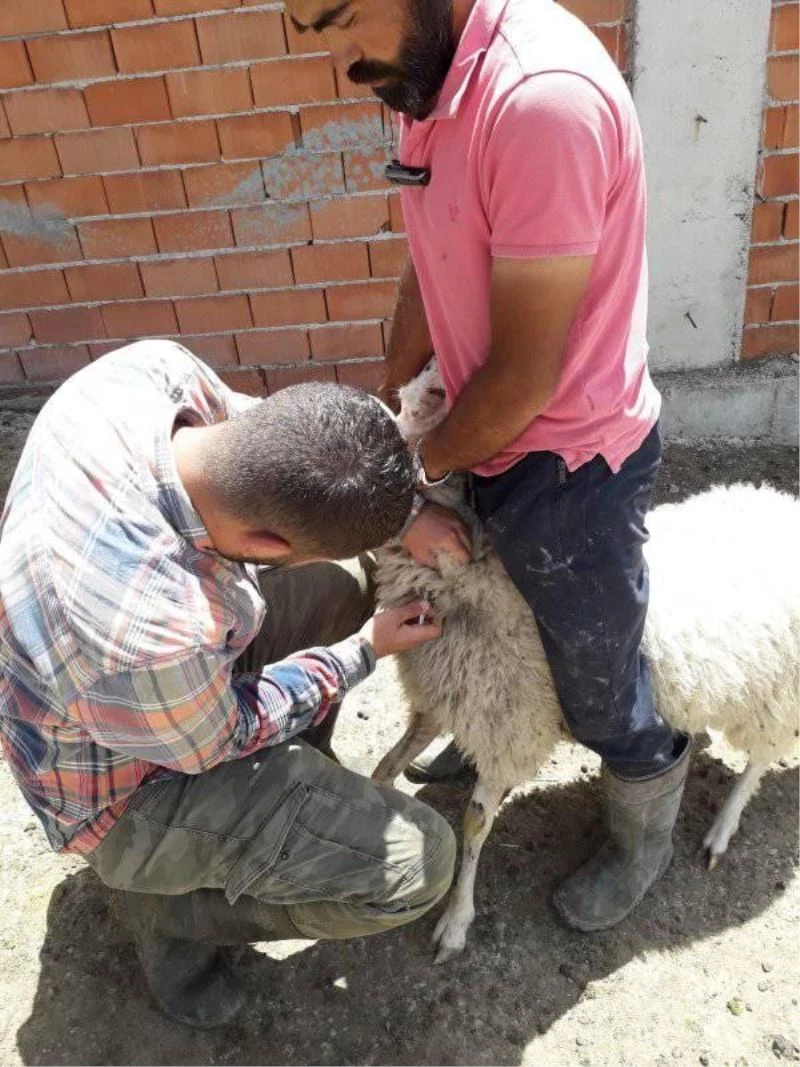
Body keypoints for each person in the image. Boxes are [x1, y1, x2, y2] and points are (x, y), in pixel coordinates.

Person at [285, 0, 691, 932]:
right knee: (478, 627)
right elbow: (429, 252)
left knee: (594, 671)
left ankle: (644, 810)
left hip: (570, 460)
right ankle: (481, 737)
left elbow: (525, 378)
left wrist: (399, 473)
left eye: (346, 18)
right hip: (480, 422)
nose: (342, 57)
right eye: (318, 31)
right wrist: (394, 389)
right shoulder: (418, 70)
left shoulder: (542, 104)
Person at [0, 339, 455, 1029]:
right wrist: (360, 652)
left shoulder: (151, 373)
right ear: (269, 544)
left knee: (342, 583)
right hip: (122, 793)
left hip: (132, 698)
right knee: (418, 866)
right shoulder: (154, 629)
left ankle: (284, 809)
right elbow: (225, 735)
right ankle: (167, 911)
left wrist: (408, 512)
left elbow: (273, 445)